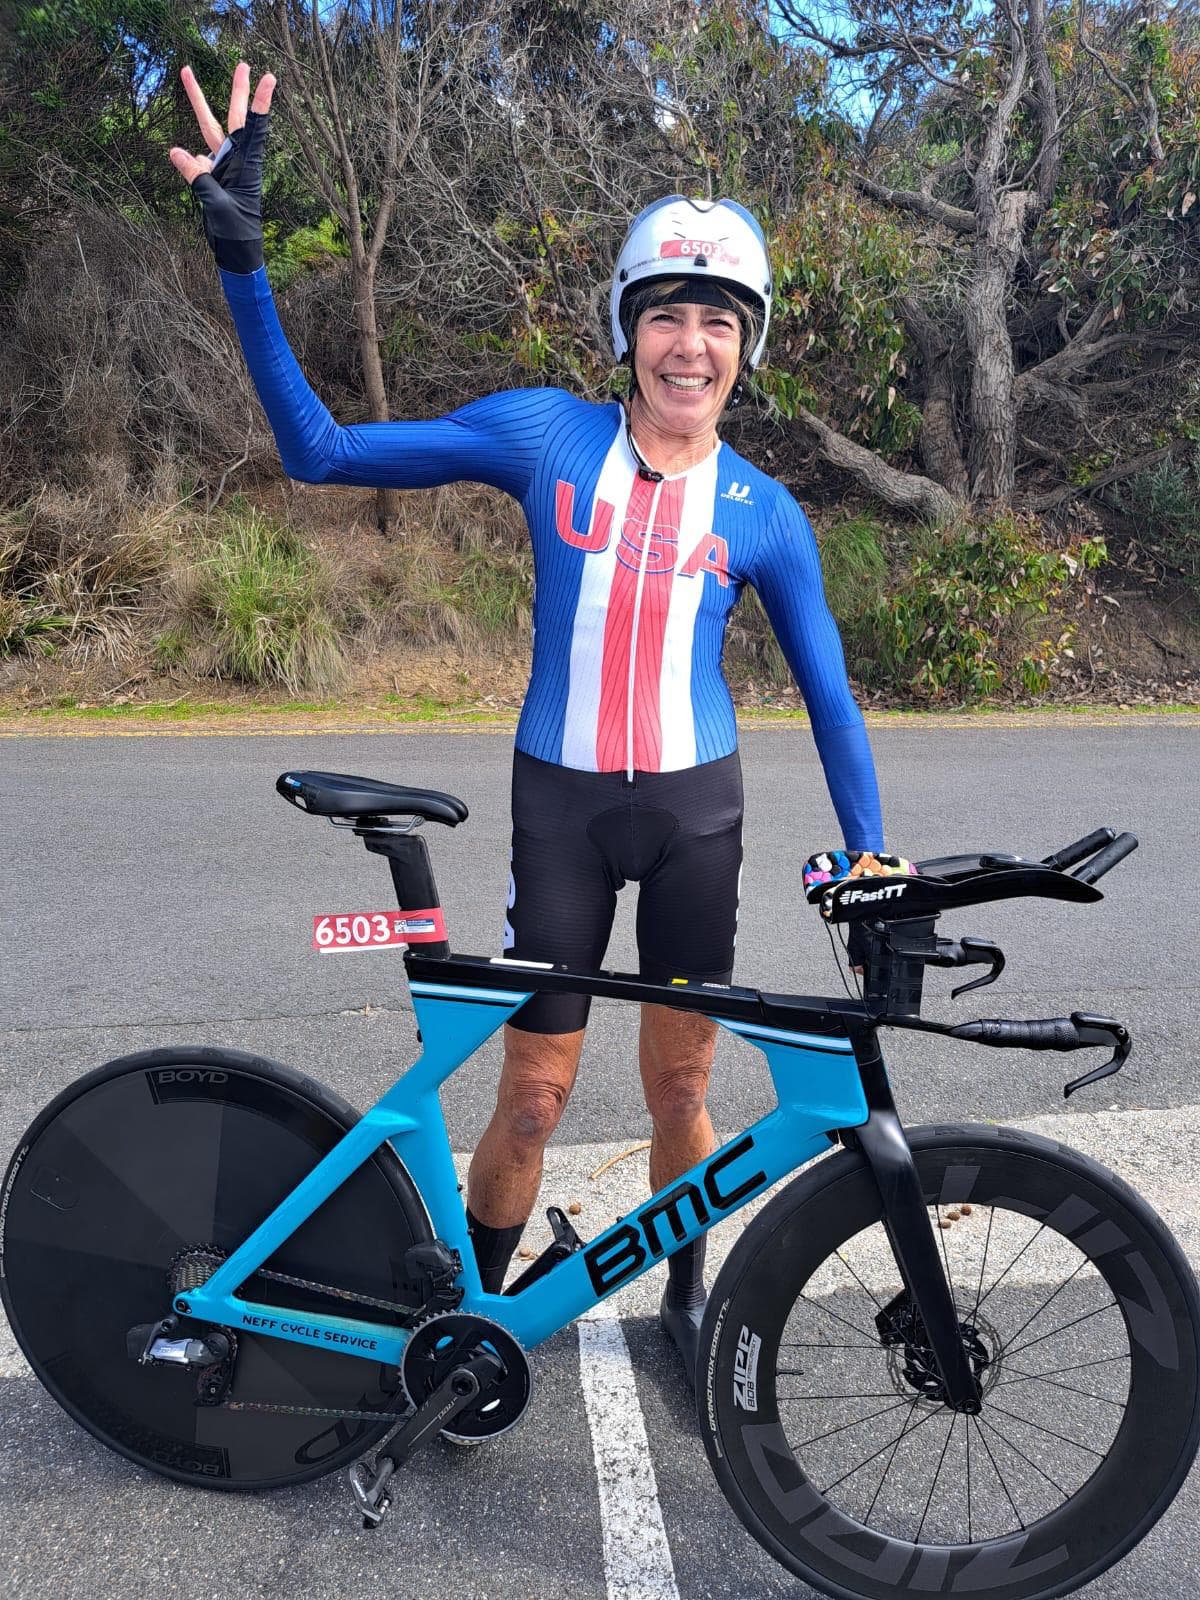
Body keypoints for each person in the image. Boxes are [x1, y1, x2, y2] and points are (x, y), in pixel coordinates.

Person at [171, 62, 887, 1383]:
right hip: (560, 808)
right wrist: (240, 256)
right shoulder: (542, 436)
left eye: (720, 322)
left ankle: (686, 1300)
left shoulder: (763, 513)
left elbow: (832, 691)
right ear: (630, 330)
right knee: (536, 1095)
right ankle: (472, 1330)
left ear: (749, 345)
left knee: (683, 1093)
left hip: (695, 814)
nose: (692, 345)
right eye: (668, 315)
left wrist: (873, 847)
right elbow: (318, 452)